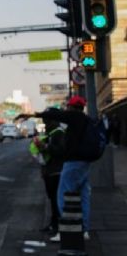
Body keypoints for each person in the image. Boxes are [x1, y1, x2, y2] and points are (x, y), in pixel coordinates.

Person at [39, 96, 93, 242]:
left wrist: (36, 114)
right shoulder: (86, 120)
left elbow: (57, 115)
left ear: (73, 107)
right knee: (83, 196)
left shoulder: (75, 118)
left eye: (68, 107)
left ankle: (67, 231)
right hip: (84, 162)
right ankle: (84, 230)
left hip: (74, 162)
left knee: (62, 195)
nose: (67, 109)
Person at [29, 108, 66, 236]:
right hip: (49, 171)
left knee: (56, 199)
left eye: (46, 120)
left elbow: (60, 151)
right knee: (52, 199)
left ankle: (57, 226)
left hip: (56, 172)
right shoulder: (51, 132)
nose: (45, 123)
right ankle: (53, 223)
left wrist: (44, 146)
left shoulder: (58, 133)